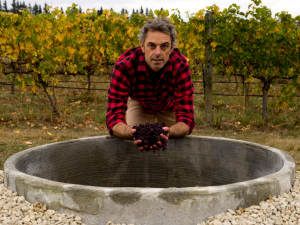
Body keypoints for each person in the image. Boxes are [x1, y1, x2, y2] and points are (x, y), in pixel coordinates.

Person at [106, 17, 195, 151]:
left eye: (164, 46)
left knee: (176, 146)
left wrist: (170, 131)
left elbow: (187, 118)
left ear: (172, 48)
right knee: (134, 145)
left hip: (169, 105)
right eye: (152, 45)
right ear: (142, 46)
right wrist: (130, 132)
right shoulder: (125, 66)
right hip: (140, 103)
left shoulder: (180, 67)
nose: (158, 53)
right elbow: (113, 117)